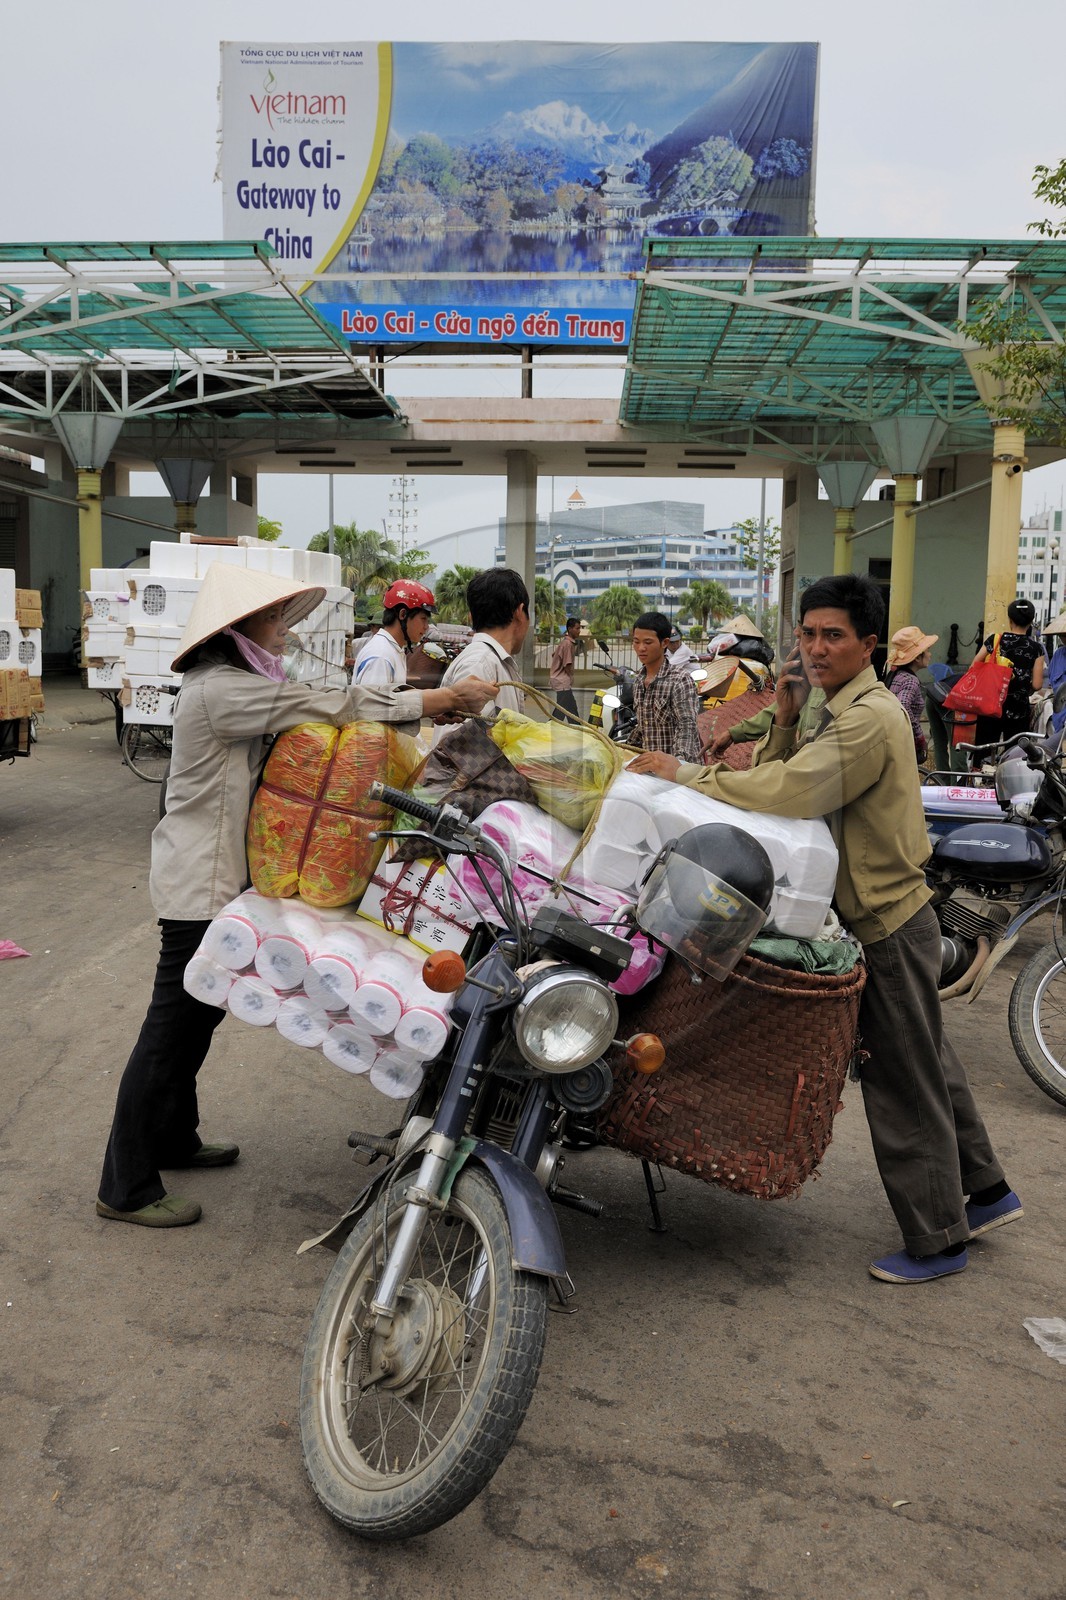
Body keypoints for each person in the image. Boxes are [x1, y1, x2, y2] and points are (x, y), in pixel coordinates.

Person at [628, 573, 1020, 1283]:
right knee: (929, 1065)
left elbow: (791, 791)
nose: (815, 647)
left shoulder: (868, 716)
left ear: (870, 644)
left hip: (887, 926)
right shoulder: (830, 704)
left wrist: (687, 776)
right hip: (891, 917)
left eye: (833, 635)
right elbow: (784, 773)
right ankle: (987, 1192)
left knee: (900, 1081)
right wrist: (782, 714)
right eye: (807, 634)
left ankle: (939, 1238)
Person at [96, 564, 499, 1229]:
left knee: (198, 1013)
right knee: (170, 1027)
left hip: (212, 873)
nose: (283, 632)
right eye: (272, 621)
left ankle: (174, 1137)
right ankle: (125, 1182)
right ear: (238, 631)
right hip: (197, 879)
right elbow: (334, 704)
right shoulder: (220, 690)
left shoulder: (235, 683)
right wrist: (436, 702)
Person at [437, 567, 529, 717]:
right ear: (519, 612)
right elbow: (460, 737)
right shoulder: (480, 663)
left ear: (471, 616)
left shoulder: (491, 661)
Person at [969, 597, 1044, 748]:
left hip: (990, 705)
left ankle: (982, 769)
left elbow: (973, 667)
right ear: (1031, 621)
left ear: (1010, 619)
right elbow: (1037, 684)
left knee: (985, 750)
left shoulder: (995, 640)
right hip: (1018, 710)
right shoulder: (1036, 648)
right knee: (1015, 754)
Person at [630, 610, 703, 763]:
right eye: (636, 642)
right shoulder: (638, 681)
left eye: (648, 642)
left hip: (678, 773)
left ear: (664, 643)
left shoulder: (680, 681)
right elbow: (643, 726)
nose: (641, 648)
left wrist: (678, 764)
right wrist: (621, 749)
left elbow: (687, 728)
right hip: (650, 772)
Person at [353, 580, 437, 687]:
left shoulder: (393, 650)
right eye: (423, 618)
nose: (426, 627)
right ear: (403, 614)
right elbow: (372, 702)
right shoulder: (381, 657)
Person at [884, 624, 937, 763]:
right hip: (902, 741)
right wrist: (919, 737)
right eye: (928, 651)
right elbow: (903, 706)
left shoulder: (896, 675)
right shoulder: (910, 680)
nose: (930, 654)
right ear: (918, 658)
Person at [549, 616, 581, 720]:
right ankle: (550, 727)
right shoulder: (568, 644)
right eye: (577, 628)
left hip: (559, 680)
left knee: (570, 709)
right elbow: (567, 664)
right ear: (570, 629)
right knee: (561, 711)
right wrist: (571, 677)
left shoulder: (565, 642)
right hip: (562, 680)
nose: (579, 631)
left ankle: (577, 727)